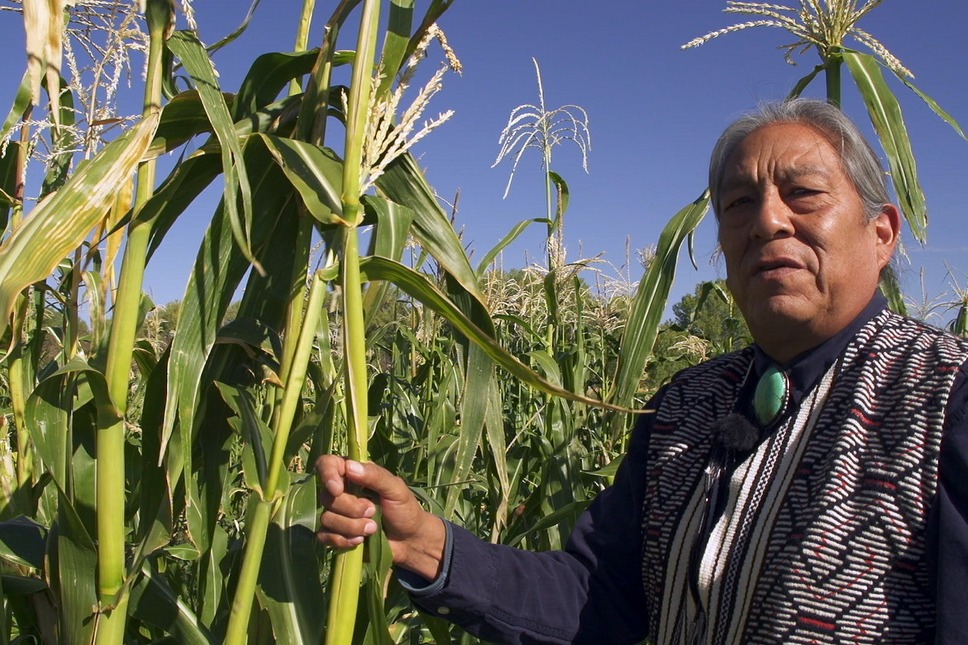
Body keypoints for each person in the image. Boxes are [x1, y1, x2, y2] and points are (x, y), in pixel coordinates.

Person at [315, 98, 968, 644]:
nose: (768, 220)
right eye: (739, 203)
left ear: (881, 233)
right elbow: (598, 600)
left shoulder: (944, 398)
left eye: (803, 193)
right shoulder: (687, 405)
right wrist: (426, 544)